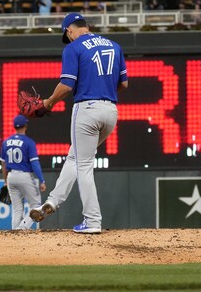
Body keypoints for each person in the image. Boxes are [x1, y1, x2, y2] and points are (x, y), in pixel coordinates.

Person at [29, 12, 128, 234]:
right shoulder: (114, 46)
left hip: (87, 110)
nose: (69, 38)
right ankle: (53, 201)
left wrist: (48, 103)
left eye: (68, 35)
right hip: (110, 112)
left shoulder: (73, 48)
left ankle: (92, 221)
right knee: (76, 157)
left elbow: (66, 86)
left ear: (69, 29)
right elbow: (124, 84)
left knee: (83, 165)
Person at [0, 114, 46, 230]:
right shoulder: (28, 142)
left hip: (11, 177)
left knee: (17, 208)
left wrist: (5, 181)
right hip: (24, 176)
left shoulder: (6, 142)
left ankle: (15, 233)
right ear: (25, 125)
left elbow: (4, 164)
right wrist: (42, 180)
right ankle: (22, 227)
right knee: (36, 206)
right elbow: (35, 163)